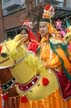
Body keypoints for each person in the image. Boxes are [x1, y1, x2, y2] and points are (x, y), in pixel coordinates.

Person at [38, 3, 71, 108]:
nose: (41, 29)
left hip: (54, 72)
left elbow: (59, 59)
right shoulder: (41, 44)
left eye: (43, 27)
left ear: (49, 27)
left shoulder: (55, 41)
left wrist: (47, 65)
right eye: (40, 27)